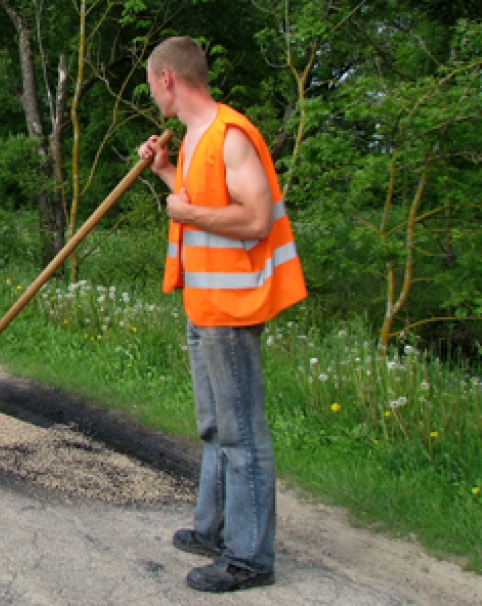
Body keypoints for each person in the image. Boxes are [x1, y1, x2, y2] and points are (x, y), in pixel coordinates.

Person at [139, 37, 307, 593]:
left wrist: (184, 209)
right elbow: (202, 202)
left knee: (241, 433)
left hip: (233, 307)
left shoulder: (231, 134)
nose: (151, 94)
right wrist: (166, 172)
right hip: (204, 303)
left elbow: (255, 219)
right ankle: (213, 529)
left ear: (168, 79)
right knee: (214, 427)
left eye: (151, 83)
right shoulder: (193, 139)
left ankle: (250, 557)